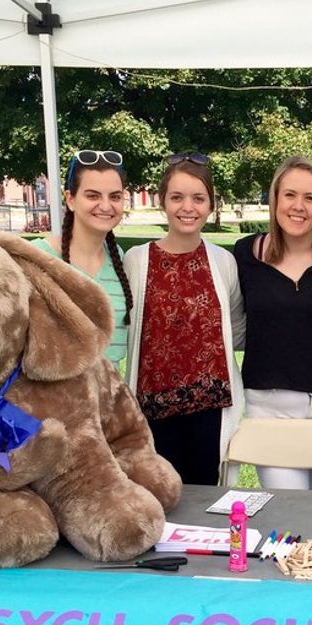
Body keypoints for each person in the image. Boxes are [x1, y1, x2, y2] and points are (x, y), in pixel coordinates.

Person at [234, 156, 312, 490]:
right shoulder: (245, 255)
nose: (298, 206)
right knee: (287, 510)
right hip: (269, 407)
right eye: (289, 195)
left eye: (309, 198)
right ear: (274, 199)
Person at [123, 153, 245, 485]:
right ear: (163, 201)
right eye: (177, 197)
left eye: (197, 198)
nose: (187, 207)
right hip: (153, 409)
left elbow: (234, 329)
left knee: (206, 498)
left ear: (210, 204)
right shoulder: (137, 260)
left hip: (209, 408)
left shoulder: (223, 261)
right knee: (157, 496)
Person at [36, 149, 132, 363]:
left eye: (114, 196)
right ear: (70, 199)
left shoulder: (121, 261)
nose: (106, 206)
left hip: (110, 393)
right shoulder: (38, 258)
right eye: (93, 195)